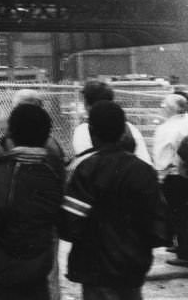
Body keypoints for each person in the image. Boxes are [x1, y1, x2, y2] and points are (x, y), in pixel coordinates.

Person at [62, 100, 167, 300]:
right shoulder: (144, 171)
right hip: (133, 267)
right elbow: (159, 226)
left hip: (96, 269)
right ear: (123, 131)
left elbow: (69, 225)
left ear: (92, 132)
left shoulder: (85, 170)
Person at [0, 104, 64, 300]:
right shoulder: (53, 172)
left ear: (11, 134)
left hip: (0, 282)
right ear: (46, 137)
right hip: (37, 280)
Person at [70, 80, 150, 167]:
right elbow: (145, 161)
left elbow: (85, 166)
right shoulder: (130, 128)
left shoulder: (82, 130)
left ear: (87, 106)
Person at [151, 93, 188, 266]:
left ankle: (183, 251)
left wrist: (160, 174)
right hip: (182, 171)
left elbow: (162, 157)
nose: (161, 108)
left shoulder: (168, 128)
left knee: (178, 213)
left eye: (163, 105)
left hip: (176, 174)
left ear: (171, 109)